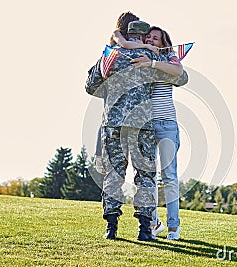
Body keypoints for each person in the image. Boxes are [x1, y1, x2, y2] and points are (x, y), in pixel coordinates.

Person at [85, 18, 188, 241]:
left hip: (113, 123)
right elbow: (180, 77)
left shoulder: (110, 55)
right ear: (143, 37)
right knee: (145, 177)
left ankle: (111, 228)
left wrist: (113, 91)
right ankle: (144, 230)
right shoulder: (152, 56)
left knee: (114, 175)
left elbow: (90, 85)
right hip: (143, 125)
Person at [131, 27, 182, 240]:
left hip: (168, 124)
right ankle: (154, 223)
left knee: (169, 178)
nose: (151, 39)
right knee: (148, 177)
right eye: (149, 37)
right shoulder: (141, 56)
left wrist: (151, 63)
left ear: (163, 42)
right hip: (148, 126)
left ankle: (173, 227)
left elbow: (179, 72)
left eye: (156, 38)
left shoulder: (168, 59)